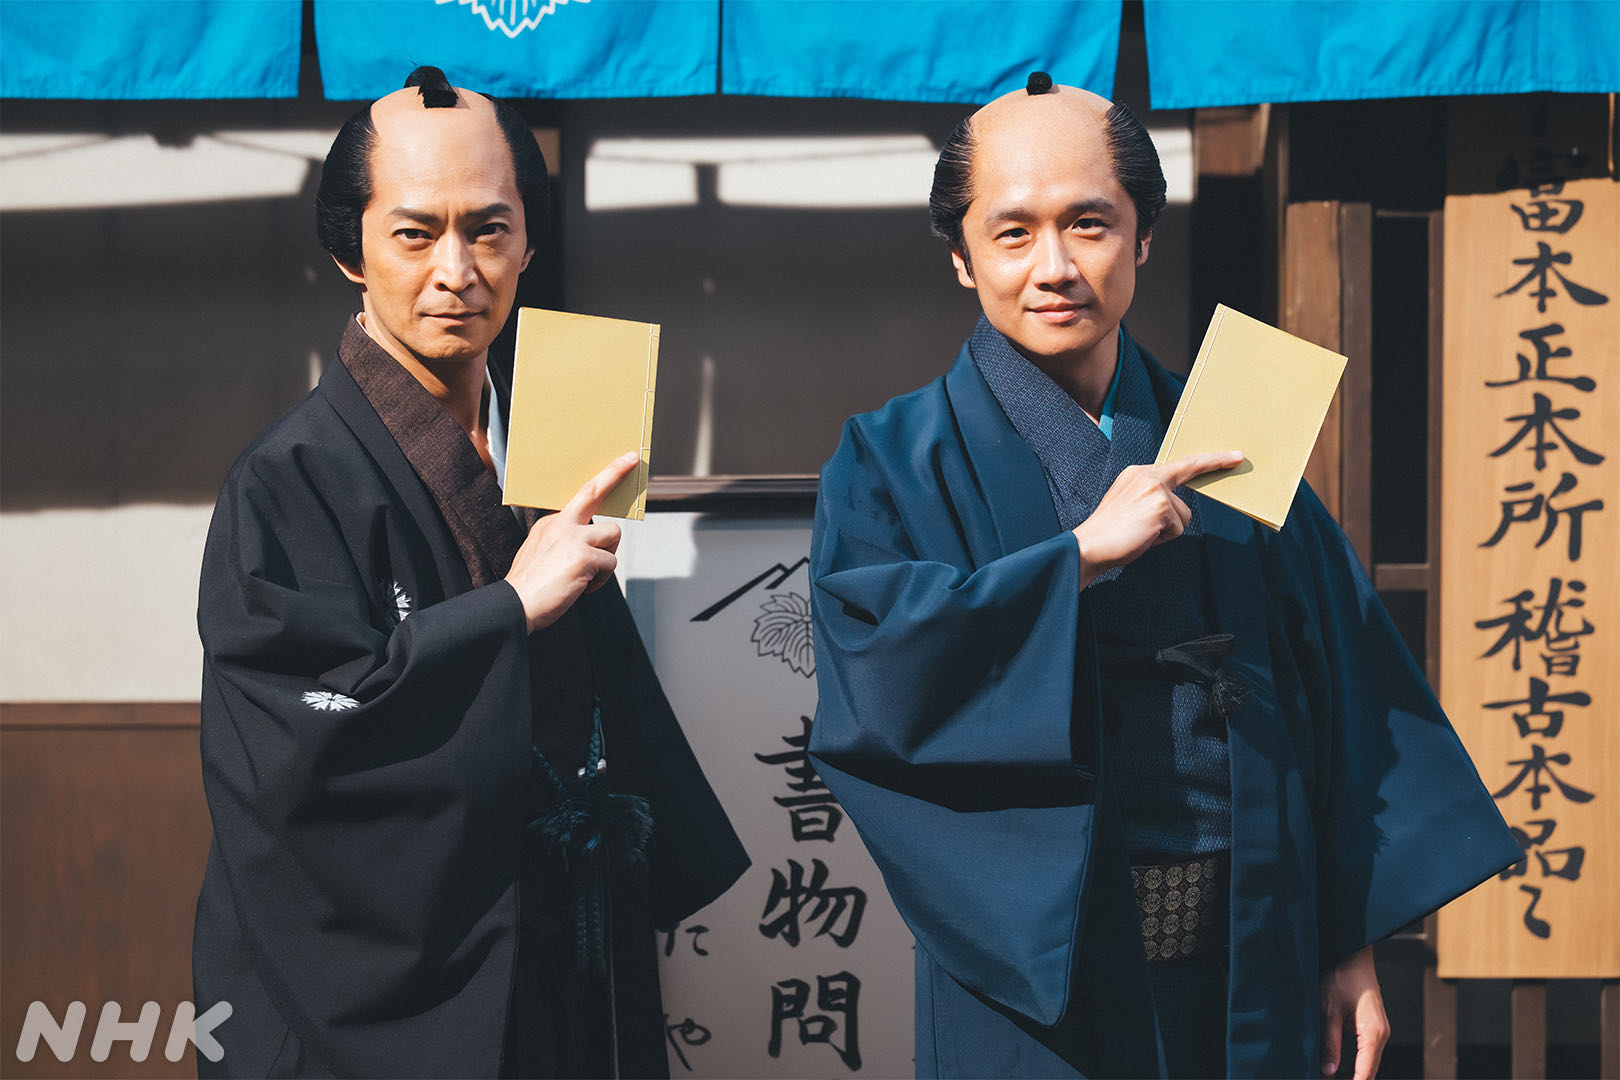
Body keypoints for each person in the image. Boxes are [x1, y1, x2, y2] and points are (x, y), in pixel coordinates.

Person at [807, 74, 1520, 1079]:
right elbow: (880, 671)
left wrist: (1344, 936)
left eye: (1088, 224)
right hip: (1036, 975)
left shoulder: (1234, 426)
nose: (1055, 267)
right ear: (961, 257)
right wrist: (1078, 560)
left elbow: (1338, 689)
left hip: (1249, 949)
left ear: (1143, 235)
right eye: (1012, 233)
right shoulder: (890, 457)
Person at [193, 67, 748, 1078]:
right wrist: (509, 609)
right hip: (397, 971)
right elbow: (298, 751)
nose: (457, 271)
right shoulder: (289, 478)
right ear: (350, 249)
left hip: (556, 931)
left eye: (489, 231)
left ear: (529, 242)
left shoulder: (552, 436)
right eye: (416, 234)